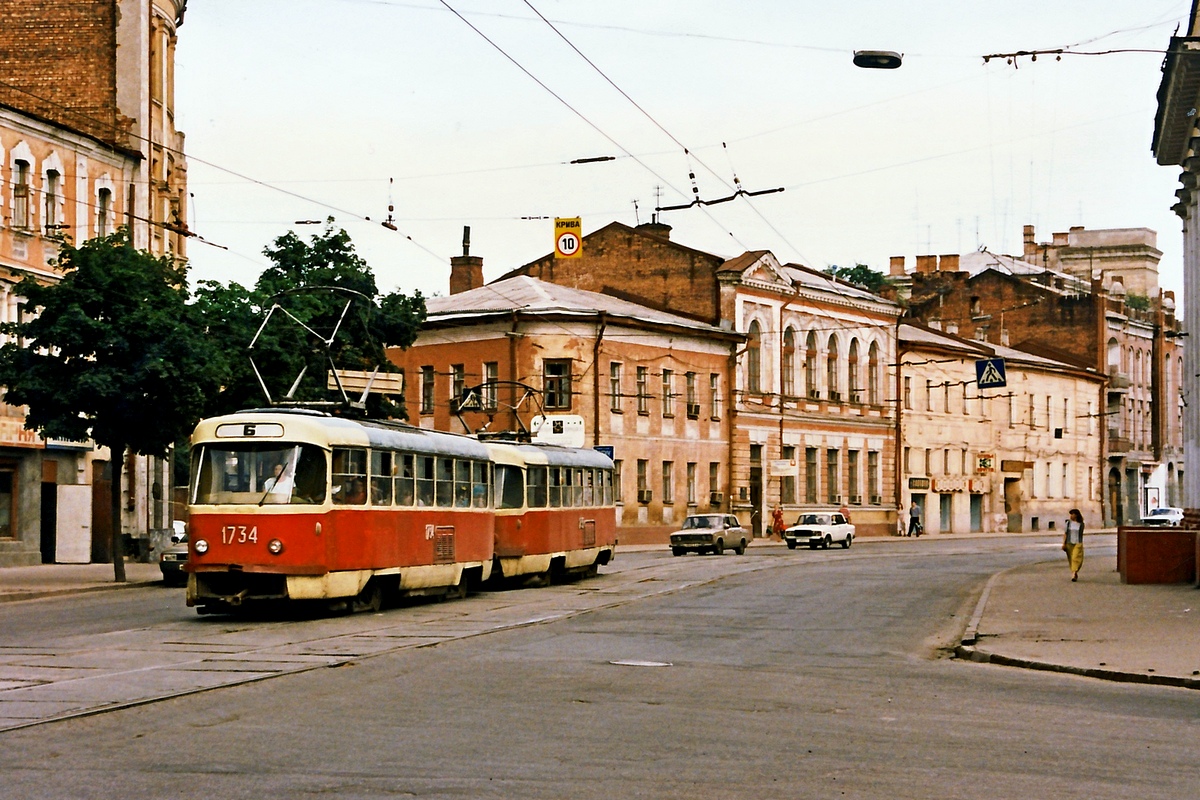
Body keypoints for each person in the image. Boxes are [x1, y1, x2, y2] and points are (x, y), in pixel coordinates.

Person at [1063, 508, 1085, 582]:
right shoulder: (1068, 523)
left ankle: (1073, 573)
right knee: (1071, 559)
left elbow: (1081, 534)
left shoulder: (1081, 524)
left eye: (1072, 514)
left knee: (1075, 558)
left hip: (1078, 543)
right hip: (1069, 543)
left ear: (1076, 515)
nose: (1071, 516)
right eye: (1070, 514)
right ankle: (1074, 572)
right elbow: (1065, 533)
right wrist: (1064, 543)